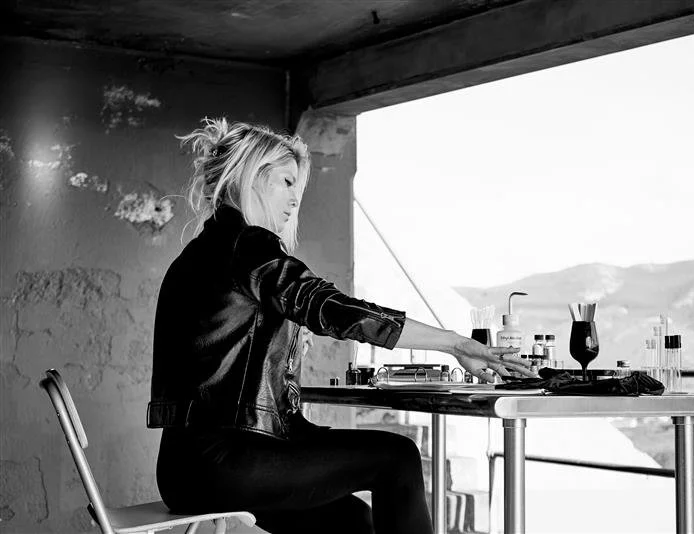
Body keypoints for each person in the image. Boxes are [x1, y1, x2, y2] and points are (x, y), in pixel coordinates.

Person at [147, 118, 536, 534]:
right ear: (250, 176)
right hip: (227, 461)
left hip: (185, 468)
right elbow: (336, 309)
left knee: (353, 523)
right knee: (397, 457)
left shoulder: (198, 254)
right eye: (285, 181)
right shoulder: (248, 245)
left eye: (299, 188)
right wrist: (455, 344)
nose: (295, 200)